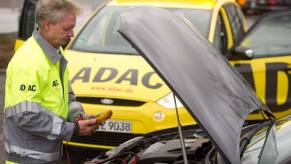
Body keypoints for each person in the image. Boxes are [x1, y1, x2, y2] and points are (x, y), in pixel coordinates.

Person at [4, 0, 99, 163]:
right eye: (67, 28)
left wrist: (77, 116)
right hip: (28, 158)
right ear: (47, 25)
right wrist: (72, 129)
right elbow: (26, 116)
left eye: (73, 27)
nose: (72, 34)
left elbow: (66, 97)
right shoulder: (29, 60)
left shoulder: (55, 52)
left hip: (46, 155)